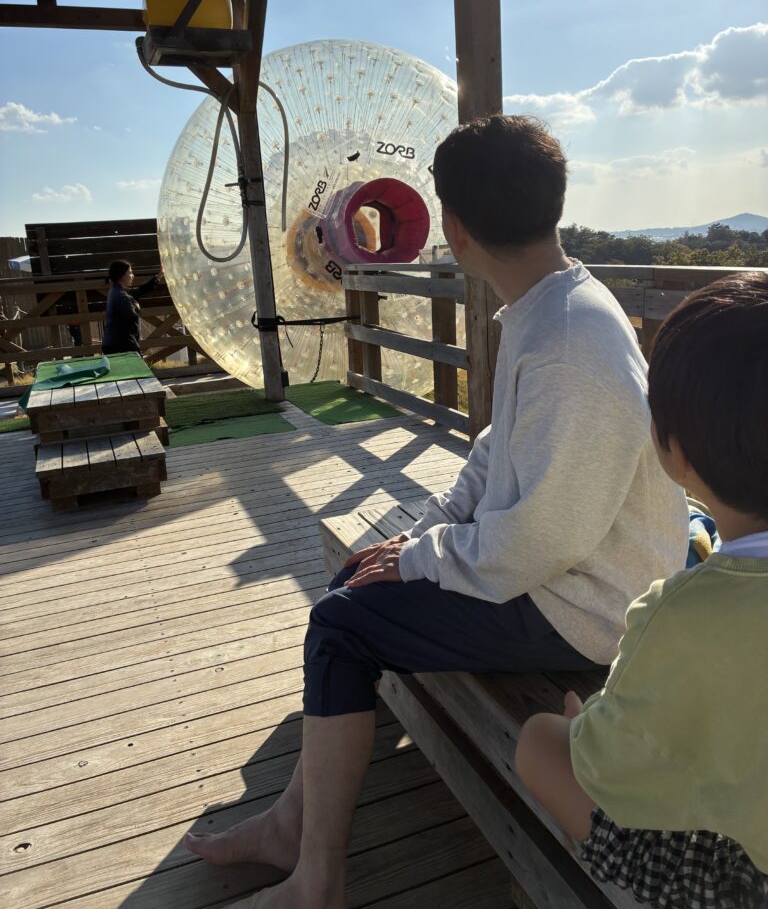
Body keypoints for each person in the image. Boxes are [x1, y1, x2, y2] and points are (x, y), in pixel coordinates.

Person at [184, 115, 689, 909]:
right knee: (355, 584)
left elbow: (540, 541)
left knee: (341, 626)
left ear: (454, 228)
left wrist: (423, 557)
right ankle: (291, 826)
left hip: (585, 607)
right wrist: (420, 536)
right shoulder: (556, 308)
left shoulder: (566, 343)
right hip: (563, 574)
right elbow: (495, 454)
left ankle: (316, 879)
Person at [515, 272, 768, 909]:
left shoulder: (680, 613)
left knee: (541, 742)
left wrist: (588, 729)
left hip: (746, 879)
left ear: (673, 453)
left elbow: (607, 771)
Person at [101, 259, 163, 356]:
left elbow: (139, 291)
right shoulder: (121, 296)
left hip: (113, 344)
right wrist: (137, 307)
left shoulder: (116, 290)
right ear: (122, 275)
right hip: (121, 346)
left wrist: (158, 277)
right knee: (138, 366)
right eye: (130, 272)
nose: (132, 275)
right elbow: (131, 316)